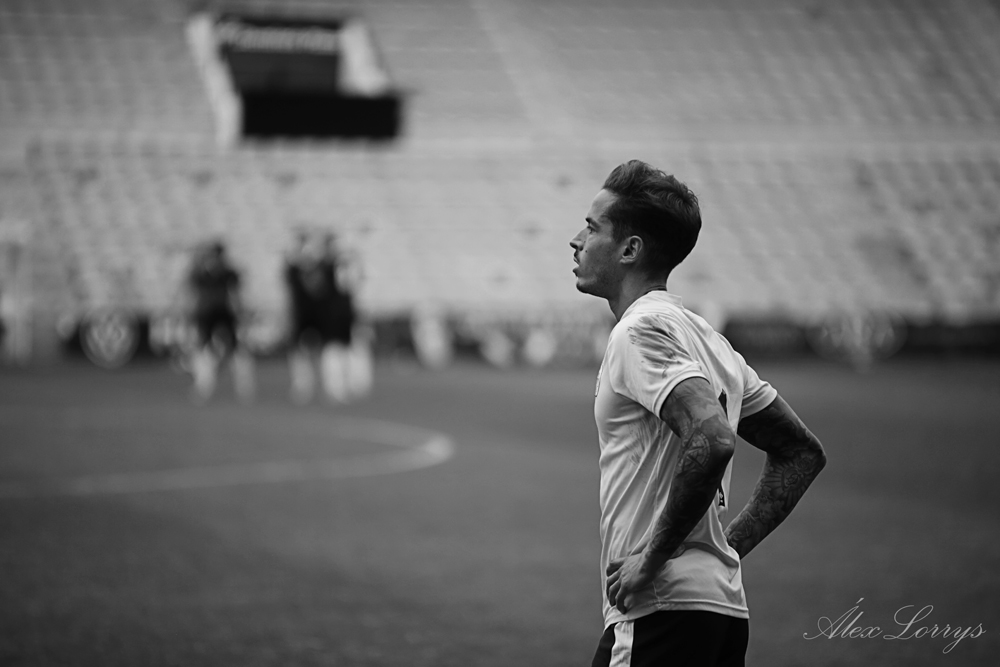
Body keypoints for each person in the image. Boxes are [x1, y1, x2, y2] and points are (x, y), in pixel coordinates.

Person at [570, 160, 827, 667]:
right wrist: (719, 551)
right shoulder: (710, 341)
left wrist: (655, 557)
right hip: (718, 610)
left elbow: (712, 437)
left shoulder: (639, 331)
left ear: (630, 249)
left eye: (592, 227)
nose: (576, 241)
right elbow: (801, 452)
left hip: (661, 612)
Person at [284, 232, 360, 403]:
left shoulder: (330, 266)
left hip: (325, 314)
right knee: (309, 350)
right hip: (308, 314)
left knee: (332, 350)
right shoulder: (302, 268)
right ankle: (308, 386)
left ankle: (335, 386)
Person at [187, 240, 254, 402]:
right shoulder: (201, 273)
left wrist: (240, 313)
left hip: (224, 313)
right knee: (203, 349)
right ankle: (203, 386)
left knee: (235, 350)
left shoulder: (227, 273)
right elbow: (195, 295)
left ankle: (244, 387)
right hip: (207, 314)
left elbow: (235, 295)